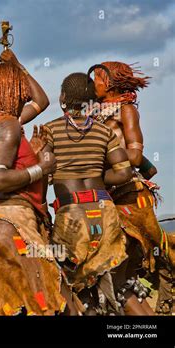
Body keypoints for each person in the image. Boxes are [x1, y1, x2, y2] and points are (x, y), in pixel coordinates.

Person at [0, 49, 74, 316]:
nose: (25, 96)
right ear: (11, 90)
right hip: (14, 221)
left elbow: (41, 101)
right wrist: (42, 168)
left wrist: (19, 66)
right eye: (20, 89)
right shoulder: (8, 126)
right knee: (57, 303)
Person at [43, 72, 151, 315]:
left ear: (62, 97)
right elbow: (123, 172)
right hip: (105, 213)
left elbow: (42, 171)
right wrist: (96, 181)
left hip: (71, 217)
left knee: (76, 287)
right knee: (120, 286)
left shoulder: (49, 131)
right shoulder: (104, 132)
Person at [90, 62, 171, 314]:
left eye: (97, 80)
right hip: (103, 195)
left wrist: (100, 154)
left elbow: (135, 157)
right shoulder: (92, 113)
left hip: (128, 195)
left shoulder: (126, 111)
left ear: (110, 84)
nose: (93, 84)